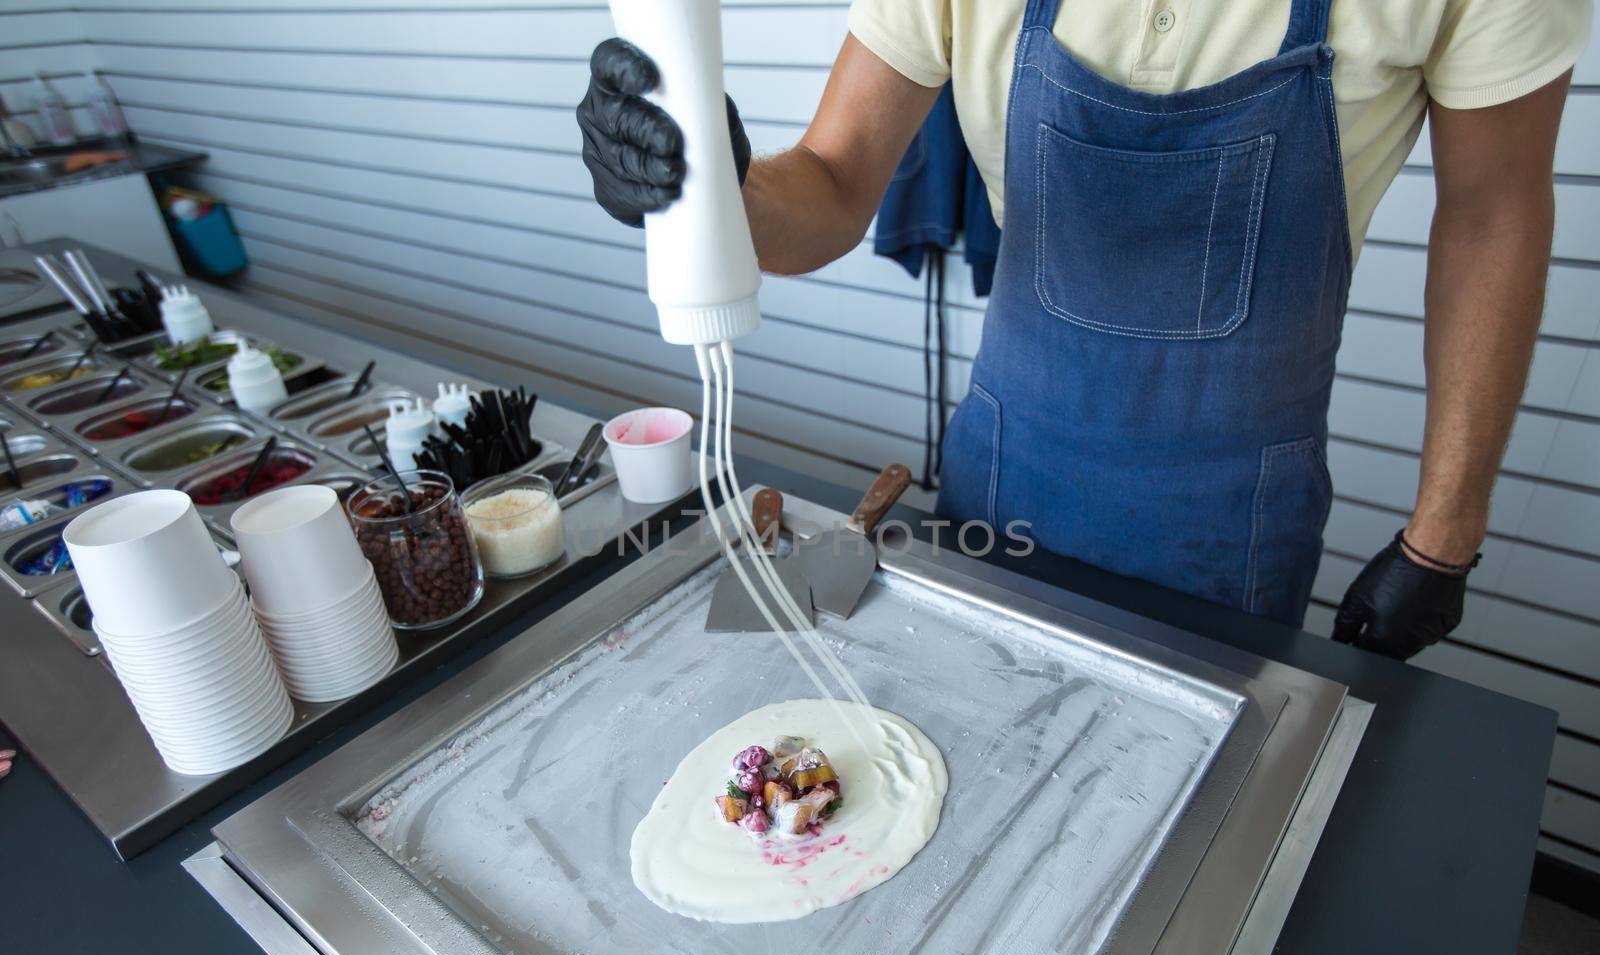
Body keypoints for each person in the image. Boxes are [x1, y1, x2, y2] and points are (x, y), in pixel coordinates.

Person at [577, 0, 1589, 660]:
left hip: (1230, 524)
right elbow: (834, 187)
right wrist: (710, 180)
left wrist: (1444, 534)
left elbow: (1495, 208)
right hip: (1007, 474)